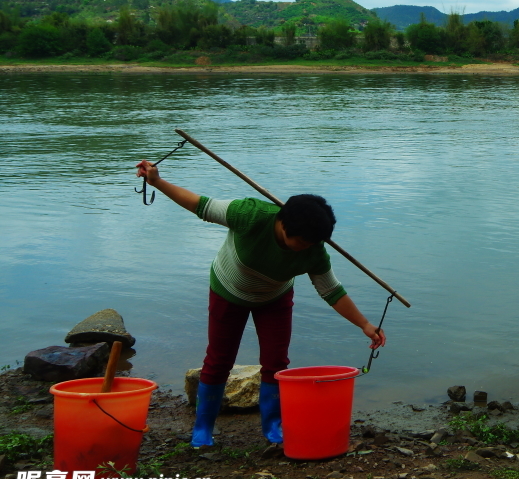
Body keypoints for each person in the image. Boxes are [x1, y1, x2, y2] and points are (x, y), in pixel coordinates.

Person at [135, 160, 386, 448]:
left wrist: (365, 325)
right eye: (302, 242)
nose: (306, 248)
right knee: (219, 360)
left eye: (312, 243)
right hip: (228, 291)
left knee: (277, 362)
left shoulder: (314, 249)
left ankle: (272, 426)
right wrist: (157, 182)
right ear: (283, 224)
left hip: (274, 299)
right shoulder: (250, 215)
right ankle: (203, 428)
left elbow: (332, 292)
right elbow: (199, 205)